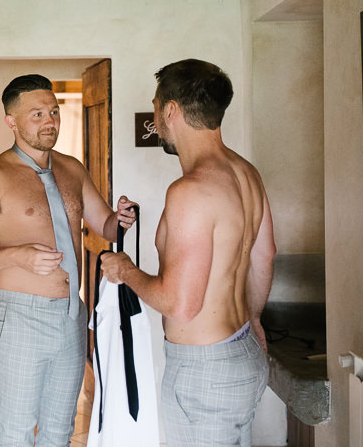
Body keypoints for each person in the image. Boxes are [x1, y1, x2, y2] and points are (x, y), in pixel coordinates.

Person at [0, 74, 137, 447]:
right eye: (37, 114)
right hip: (21, 316)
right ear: (12, 121)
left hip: (72, 314)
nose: (50, 121)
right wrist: (16, 255)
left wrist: (122, 219)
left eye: (53, 112)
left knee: (59, 432)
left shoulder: (72, 169)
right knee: (17, 434)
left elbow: (106, 226)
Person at [100, 59, 276, 447]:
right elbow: (264, 257)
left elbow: (180, 306)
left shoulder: (190, 190)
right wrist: (256, 319)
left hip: (205, 371)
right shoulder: (246, 173)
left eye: (155, 106)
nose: (156, 117)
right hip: (243, 348)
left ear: (171, 110)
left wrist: (125, 269)